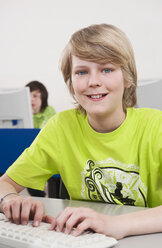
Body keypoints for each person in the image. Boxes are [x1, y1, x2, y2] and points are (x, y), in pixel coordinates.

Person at [0, 23, 162, 240]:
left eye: (107, 69)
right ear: (71, 81)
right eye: (82, 72)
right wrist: (10, 199)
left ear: (127, 77)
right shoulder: (61, 127)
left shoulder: (156, 127)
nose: (93, 82)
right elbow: (5, 182)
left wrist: (116, 224)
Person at [26, 81, 56, 197]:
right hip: (30, 151)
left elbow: (45, 130)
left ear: (43, 97)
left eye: (35, 96)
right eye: (28, 96)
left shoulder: (49, 110)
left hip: (47, 151)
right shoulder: (24, 115)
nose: (31, 100)